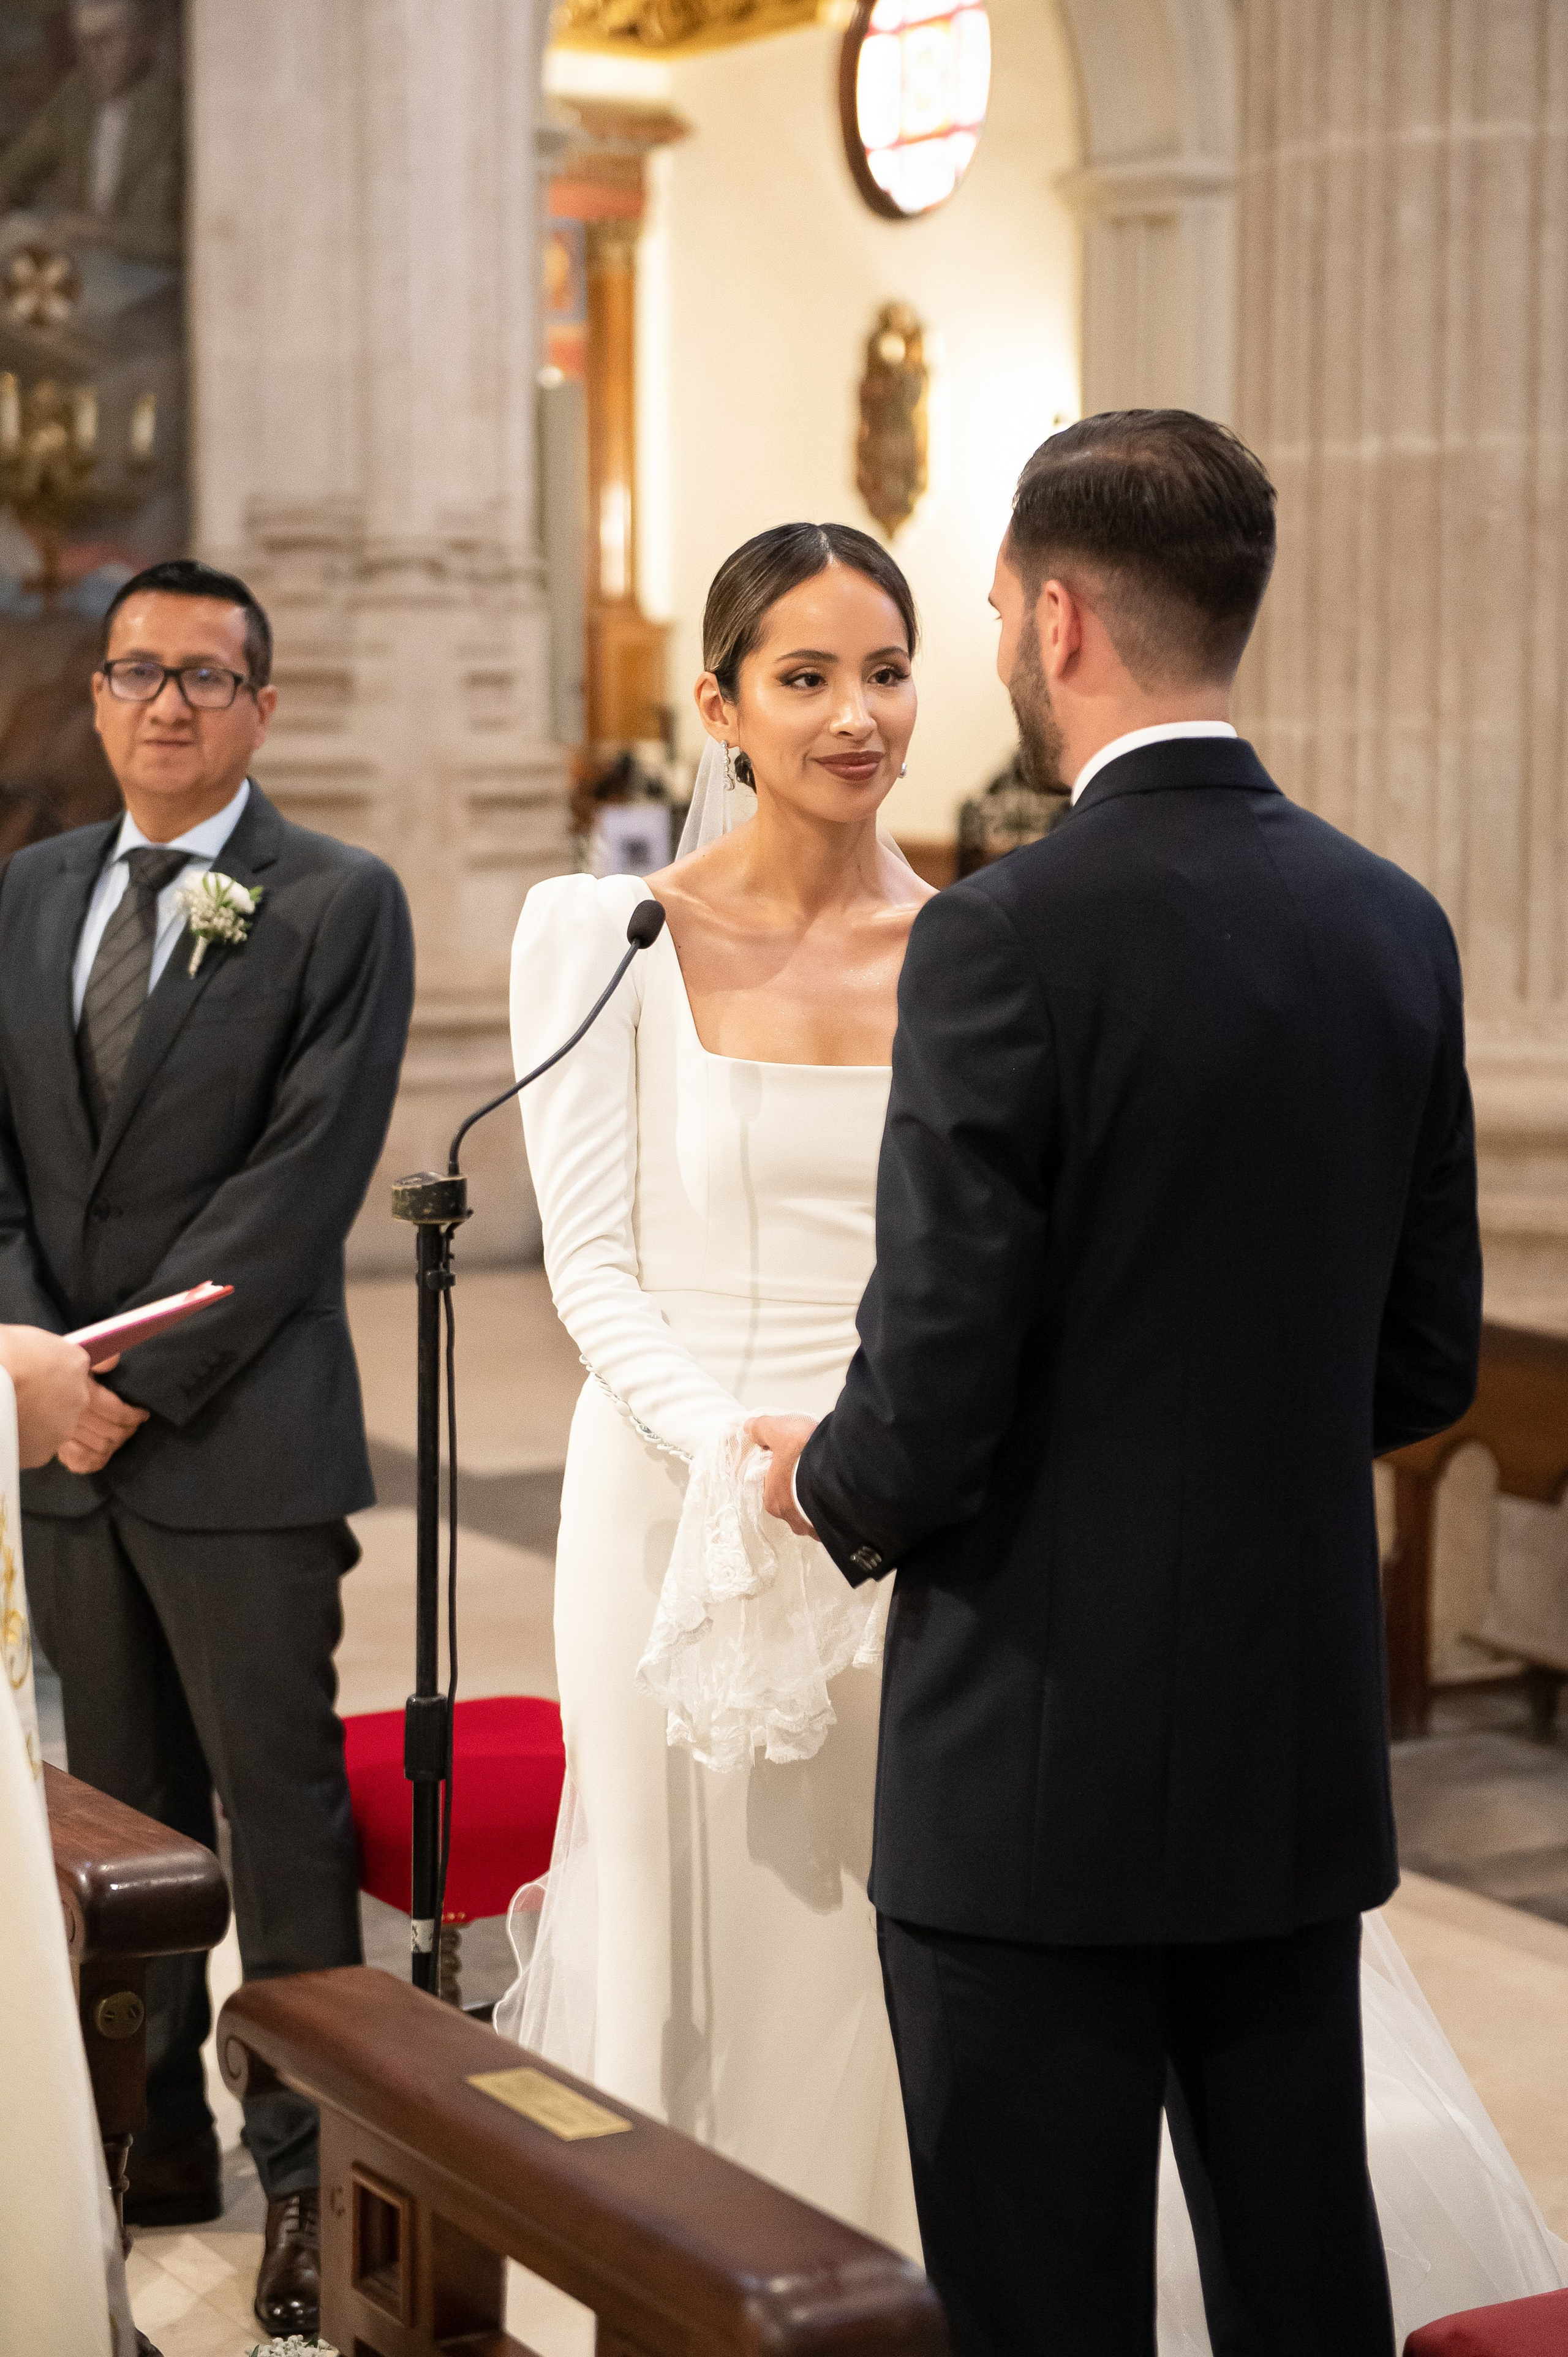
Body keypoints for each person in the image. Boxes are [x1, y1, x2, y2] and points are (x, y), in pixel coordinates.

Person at [748, 412, 1561, 2355]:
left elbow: (933, 1380)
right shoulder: (1388, 918)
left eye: (993, 619)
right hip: (1285, 1738)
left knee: (1044, 2303)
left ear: (1055, 619)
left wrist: (820, 1481)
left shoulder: (1003, 932)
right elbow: (1423, 1353)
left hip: (1031, 1762)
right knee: (1299, 2275)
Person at [499, 523, 932, 2257]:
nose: (854, 716)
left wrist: (864, 1456)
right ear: (721, 707)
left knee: (866, 1919)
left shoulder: (974, 948)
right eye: (804, 677)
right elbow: (590, 1260)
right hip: (670, 1481)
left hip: (892, 1484)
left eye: (884, 671)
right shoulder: (607, 933)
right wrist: (733, 1458)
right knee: (677, 1910)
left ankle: (883, 2277)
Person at [0, 556, 415, 2336]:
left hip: (238, 1438)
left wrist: (120, 1377)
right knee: (123, 1813)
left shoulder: (335, 901)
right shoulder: (27, 892)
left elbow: (301, 1180)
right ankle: (152, 2133)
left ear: (263, 703)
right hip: (62, 1446)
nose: (165, 702)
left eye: (204, 675)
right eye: (136, 671)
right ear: (96, 695)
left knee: (278, 1811)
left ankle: (314, 2170)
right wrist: (37, 1363)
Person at [0, 1, 183, 268]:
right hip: (86, 263)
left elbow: (198, 236)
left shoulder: (174, 111)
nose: (93, 55)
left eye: (107, 40)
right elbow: (20, 164)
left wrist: (107, 232)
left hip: (147, 271)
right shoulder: (76, 95)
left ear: (144, 39)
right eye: (84, 43)